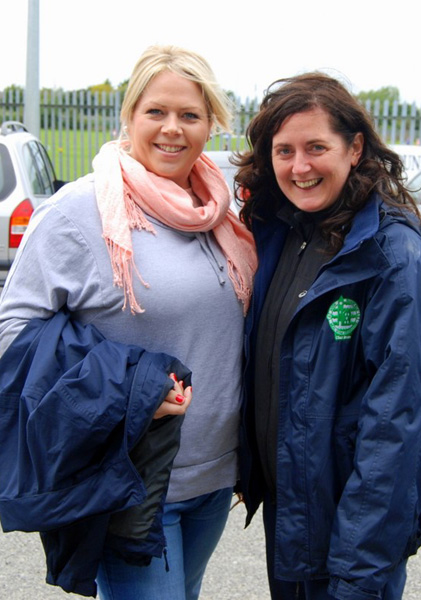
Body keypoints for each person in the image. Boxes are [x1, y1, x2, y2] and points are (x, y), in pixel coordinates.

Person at [0, 44, 256, 600]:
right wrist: (127, 384)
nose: (172, 129)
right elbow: (14, 334)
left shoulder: (223, 214)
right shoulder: (79, 212)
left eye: (189, 114)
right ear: (129, 116)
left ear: (211, 123)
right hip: (131, 478)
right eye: (155, 112)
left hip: (212, 476)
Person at [234, 73, 421, 600]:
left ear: (355, 148)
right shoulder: (281, 237)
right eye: (283, 150)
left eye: (316, 147)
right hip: (292, 518)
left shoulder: (396, 263)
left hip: (351, 544)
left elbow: (402, 431)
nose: (298, 167)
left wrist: (360, 568)